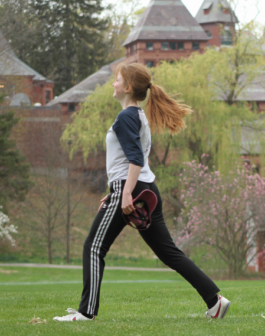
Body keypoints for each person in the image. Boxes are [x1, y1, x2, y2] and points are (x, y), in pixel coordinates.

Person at [54, 63, 230, 322]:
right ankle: (215, 302)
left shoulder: (126, 117)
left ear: (127, 87)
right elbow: (128, 160)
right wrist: (115, 190)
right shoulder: (136, 115)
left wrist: (123, 194)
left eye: (117, 80)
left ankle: (85, 313)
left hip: (131, 190)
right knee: (169, 253)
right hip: (146, 188)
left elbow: (135, 158)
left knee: (94, 248)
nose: (113, 84)